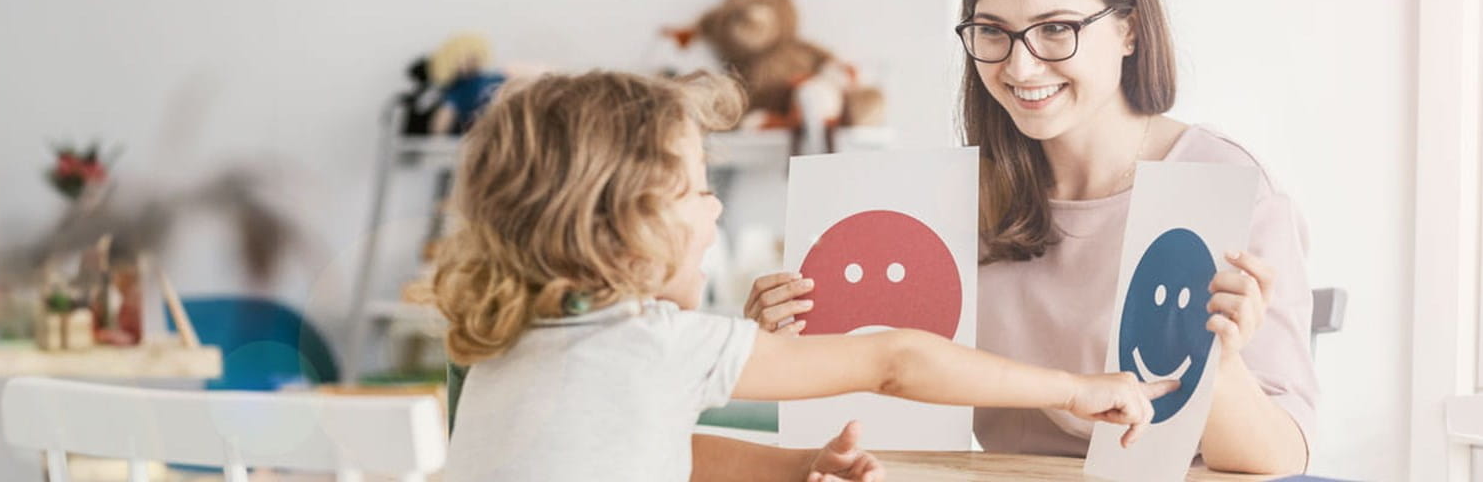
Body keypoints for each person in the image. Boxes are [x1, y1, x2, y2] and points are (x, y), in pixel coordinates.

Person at [745, 0, 1318, 474]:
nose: (1020, 67)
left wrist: (1217, 364)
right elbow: (885, 398)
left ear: (1129, 29)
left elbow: (1281, 458)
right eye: (992, 31)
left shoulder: (1222, 186)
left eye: (1056, 29)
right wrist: (784, 344)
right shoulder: (951, 203)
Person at [436, 70, 1176, 481]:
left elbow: (658, 449)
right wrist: (1078, 388)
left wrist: (801, 467)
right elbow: (895, 358)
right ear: (622, 227)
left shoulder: (503, 348)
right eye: (696, 188)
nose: (716, 205)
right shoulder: (654, 342)